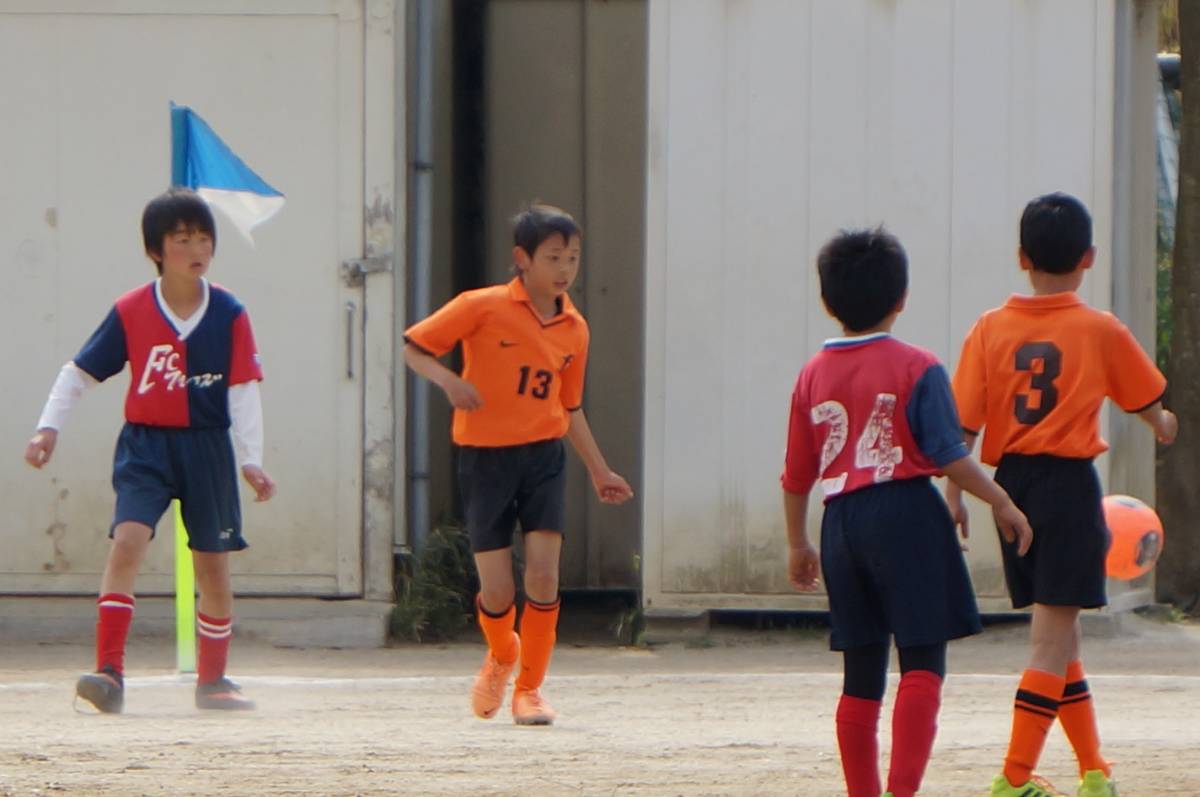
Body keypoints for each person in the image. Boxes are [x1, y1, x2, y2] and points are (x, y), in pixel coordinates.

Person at [782, 227, 1032, 797]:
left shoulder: (811, 374)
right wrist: (1000, 500)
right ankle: (901, 792)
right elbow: (949, 455)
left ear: (827, 300)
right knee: (921, 661)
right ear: (902, 298)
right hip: (906, 514)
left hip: (840, 521)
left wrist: (798, 542)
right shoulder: (918, 366)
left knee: (860, 673)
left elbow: (797, 474)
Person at [948, 192, 1177, 797]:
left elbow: (961, 429)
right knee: (1050, 641)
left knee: (1063, 634)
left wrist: (954, 494)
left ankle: (1094, 772)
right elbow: (1146, 400)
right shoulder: (1099, 329)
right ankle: (1014, 778)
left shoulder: (989, 328)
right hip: (1068, 488)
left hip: (1010, 487)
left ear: (1022, 257)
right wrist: (1163, 424)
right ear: (1089, 257)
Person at [24, 187, 276, 714]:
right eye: (181, 239)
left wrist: (251, 458)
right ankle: (109, 673)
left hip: (207, 447)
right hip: (146, 446)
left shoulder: (229, 311)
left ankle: (214, 680)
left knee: (213, 566)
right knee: (128, 542)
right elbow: (79, 373)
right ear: (155, 250)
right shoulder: (131, 309)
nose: (196, 248)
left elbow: (243, 387)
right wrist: (48, 428)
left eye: (204, 237)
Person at [403, 203, 633, 726]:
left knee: (545, 576)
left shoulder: (575, 328)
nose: (565, 268)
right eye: (553, 257)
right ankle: (502, 655)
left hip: (543, 457)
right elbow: (414, 348)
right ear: (522, 259)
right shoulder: (481, 306)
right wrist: (449, 382)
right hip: (485, 460)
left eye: (573, 257)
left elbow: (569, 407)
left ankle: (529, 689)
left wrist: (600, 470)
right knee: (498, 589)